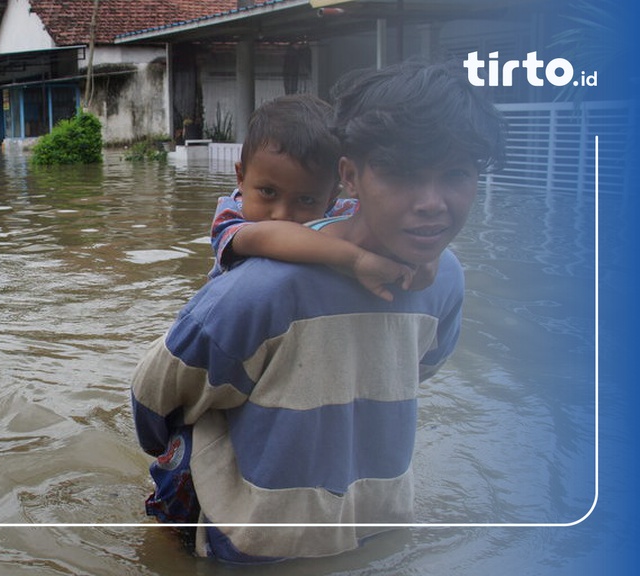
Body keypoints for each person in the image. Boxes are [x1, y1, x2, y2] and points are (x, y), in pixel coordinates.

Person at [131, 60, 505, 563]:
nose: (431, 204)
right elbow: (154, 397)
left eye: (456, 175)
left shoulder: (444, 277)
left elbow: (153, 410)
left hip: (357, 534)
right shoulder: (258, 289)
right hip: (271, 551)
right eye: (401, 174)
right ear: (349, 176)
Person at [208, 93, 421, 301]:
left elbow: (383, 221)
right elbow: (266, 236)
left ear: (331, 197)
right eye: (268, 192)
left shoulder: (340, 211)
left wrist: (419, 257)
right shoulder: (229, 216)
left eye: (306, 200)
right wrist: (356, 260)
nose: (282, 215)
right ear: (241, 177)